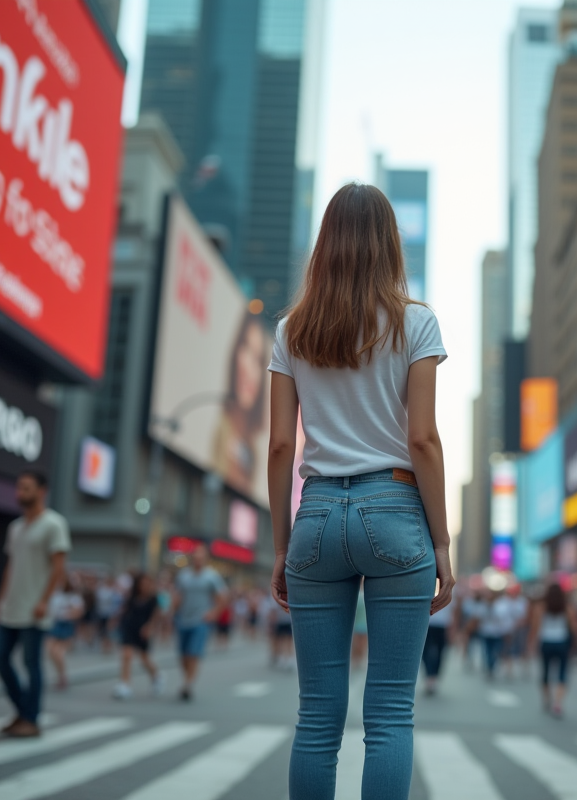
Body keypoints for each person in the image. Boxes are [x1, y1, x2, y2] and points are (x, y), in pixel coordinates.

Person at [267, 182, 453, 800]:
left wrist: (280, 548)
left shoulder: (292, 330)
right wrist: (444, 545)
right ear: (389, 243)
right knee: (390, 714)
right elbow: (423, 438)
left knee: (317, 717)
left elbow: (279, 447)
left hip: (317, 514)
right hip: (398, 511)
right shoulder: (415, 322)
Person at [0, 471, 70, 738]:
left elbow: (59, 568)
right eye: (19, 487)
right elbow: (10, 568)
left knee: (31, 663)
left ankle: (31, 719)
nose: (20, 493)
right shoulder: (15, 527)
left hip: (34, 608)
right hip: (11, 607)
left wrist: (45, 600)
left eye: (26, 488)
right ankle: (23, 710)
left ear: (41, 491)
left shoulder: (54, 524)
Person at [212, 313, 270, 494]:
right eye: (246, 348)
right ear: (235, 352)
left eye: (258, 360)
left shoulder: (254, 448)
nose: (250, 370)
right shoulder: (221, 430)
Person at [172, 542, 229, 702]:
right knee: (183, 655)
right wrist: (171, 611)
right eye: (195, 555)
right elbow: (177, 596)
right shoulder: (184, 575)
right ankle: (187, 678)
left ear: (206, 558)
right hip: (183, 619)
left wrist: (214, 613)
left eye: (201, 556)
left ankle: (188, 684)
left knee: (193, 653)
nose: (198, 559)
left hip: (201, 620)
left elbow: (223, 598)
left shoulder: (211, 576)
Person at [530, 583, 577, 718]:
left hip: (546, 642)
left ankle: (547, 699)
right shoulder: (567, 608)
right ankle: (558, 702)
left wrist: (531, 645)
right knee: (562, 673)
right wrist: (575, 643)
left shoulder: (540, 607)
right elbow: (575, 627)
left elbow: (535, 628)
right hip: (562, 642)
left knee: (545, 672)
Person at [114, 573, 164, 699]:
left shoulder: (153, 599)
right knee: (127, 655)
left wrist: (150, 628)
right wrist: (115, 620)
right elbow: (124, 610)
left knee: (144, 659)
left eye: (147, 583)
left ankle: (156, 676)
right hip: (130, 628)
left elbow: (156, 616)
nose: (145, 586)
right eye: (142, 583)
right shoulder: (132, 597)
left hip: (143, 630)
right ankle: (125, 684)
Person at [46, 576, 85, 690]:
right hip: (55, 624)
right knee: (51, 652)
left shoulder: (74, 597)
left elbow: (79, 612)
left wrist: (68, 614)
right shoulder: (56, 595)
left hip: (66, 625)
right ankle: (59, 674)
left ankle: (62, 676)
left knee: (58, 652)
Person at [421, 594, 454, 696]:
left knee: (440, 651)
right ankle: (429, 676)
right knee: (425, 651)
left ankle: (434, 676)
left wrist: (453, 629)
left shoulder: (449, 586)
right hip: (427, 623)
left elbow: (454, 610)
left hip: (442, 624)